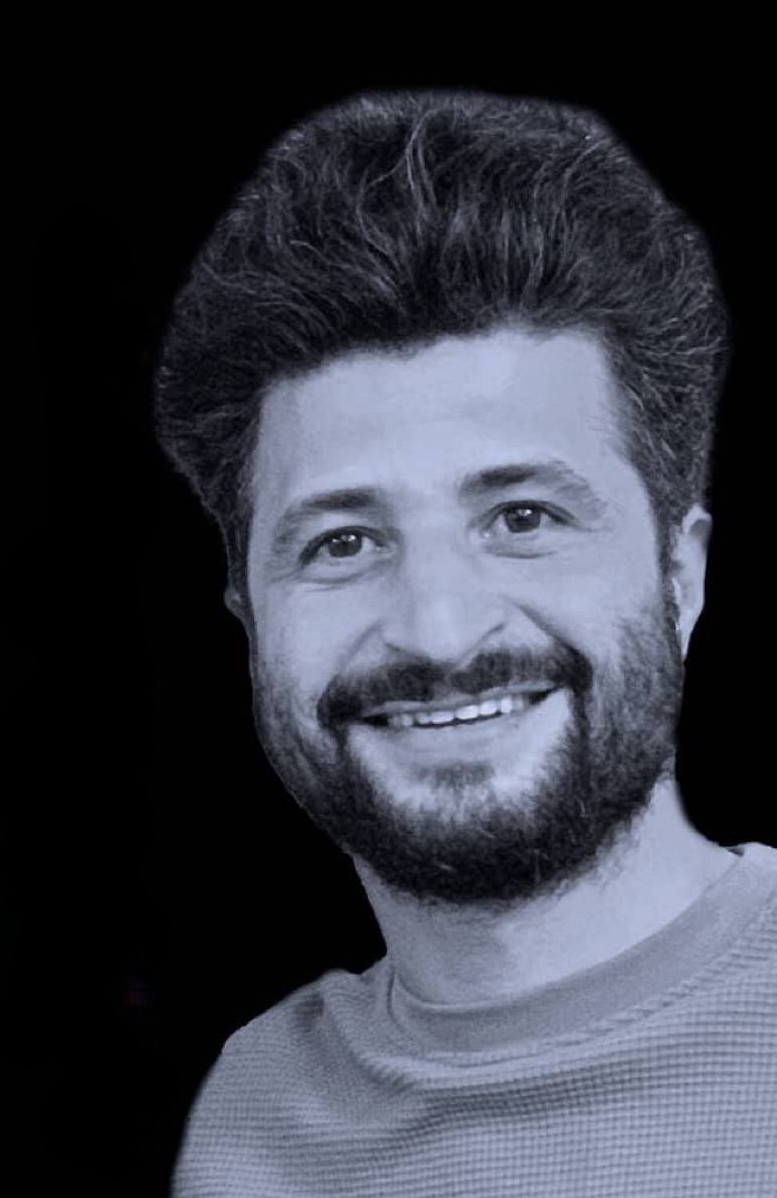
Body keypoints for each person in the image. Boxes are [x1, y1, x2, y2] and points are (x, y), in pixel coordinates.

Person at [152, 89, 777, 1197]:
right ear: (250, 620)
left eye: (523, 517)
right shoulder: (248, 1122)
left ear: (680, 577)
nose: (438, 630)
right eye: (342, 541)